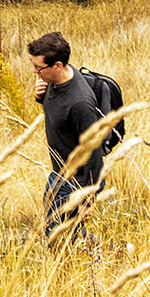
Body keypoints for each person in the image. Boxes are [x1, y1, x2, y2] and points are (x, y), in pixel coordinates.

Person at [28, 30, 105, 235]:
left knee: (57, 235)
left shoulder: (80, 103)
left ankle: (115, 252)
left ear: (58, 66)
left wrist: (87, 198)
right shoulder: (56, 79)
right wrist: (40, 97)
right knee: (61, 229)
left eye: (38, 67)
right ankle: (110, 251)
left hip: (77, 180)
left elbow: (94, 151)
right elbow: (59, 113)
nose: (35, 72)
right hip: (59, 172)